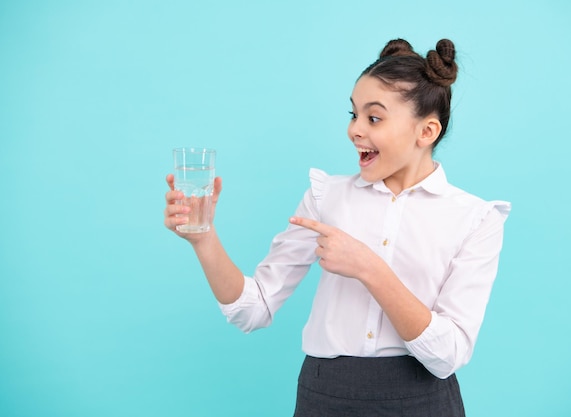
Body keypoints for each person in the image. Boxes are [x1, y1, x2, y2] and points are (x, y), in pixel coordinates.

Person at [164, 38, 511, 416]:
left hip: (422, 400)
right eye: (353, 115)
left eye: (373, 118)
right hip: (326, 397)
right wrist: (203, 239)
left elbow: (447, 356)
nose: (354, 130)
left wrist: (368, 267)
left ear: (426, 132)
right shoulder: (324, 197)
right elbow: (254, 309)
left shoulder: (475, 219)